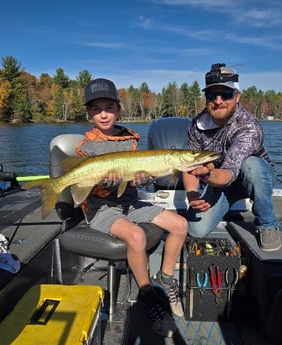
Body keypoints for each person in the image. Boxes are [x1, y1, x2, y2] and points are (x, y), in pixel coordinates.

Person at [76, 78, 187, 337]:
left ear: (119, 109)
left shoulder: (130, 139)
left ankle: (166, 279)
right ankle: (148, 294)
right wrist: (105, 183)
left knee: (180, 224)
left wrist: (143, 178)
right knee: (136, 235)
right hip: (101, 208)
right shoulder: (85, 147)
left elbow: (142, 175)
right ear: (89, 113)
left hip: (131, 202)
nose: (103, 114)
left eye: (109, 107)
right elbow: (90, 188)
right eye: (96, 109)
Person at [183, 63, 281, 251]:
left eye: (225, 95)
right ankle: (227, 200)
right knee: (196, 229)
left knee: (251, 166)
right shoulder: (196, 125)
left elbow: (229, 171)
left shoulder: (248, 126)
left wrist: (205, 175)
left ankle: (267, 223)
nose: (218, 101)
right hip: (218, 181)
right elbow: (189, 165)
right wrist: (192, 193)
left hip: (250, 177)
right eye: (212, 96)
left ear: (237, 97)